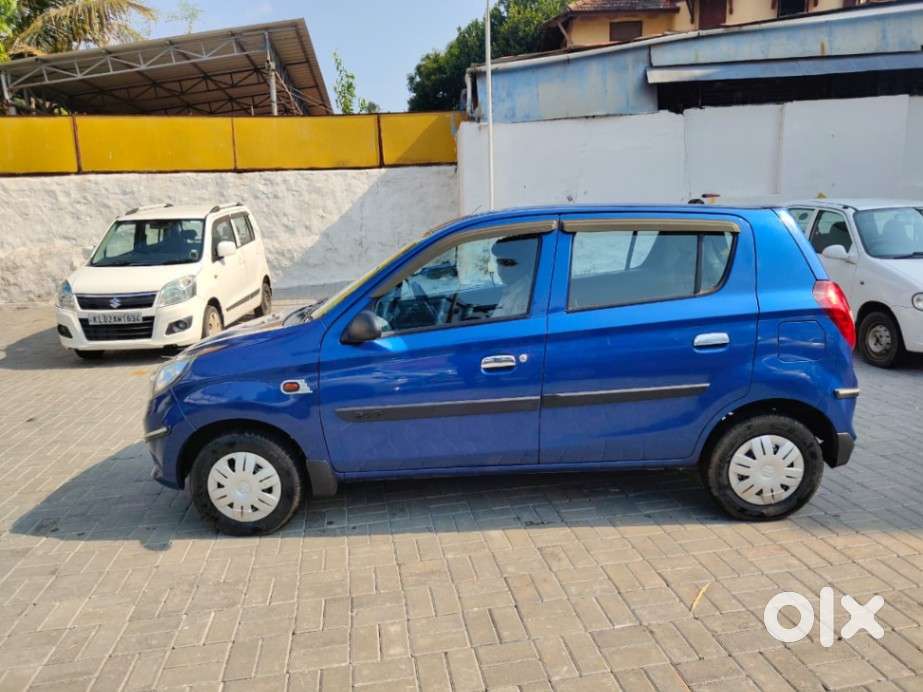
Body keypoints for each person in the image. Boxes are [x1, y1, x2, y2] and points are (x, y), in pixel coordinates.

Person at [491, 235, 537, 318]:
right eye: (499, 263)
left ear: (524, 264)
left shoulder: (525, 297)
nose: (501, 270)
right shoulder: (513, 289)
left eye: (507, 263)